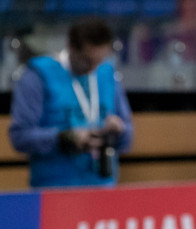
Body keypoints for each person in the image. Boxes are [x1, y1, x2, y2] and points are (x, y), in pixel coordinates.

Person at [8, 19, 133, 188]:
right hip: (56, 189)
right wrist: (64, 138)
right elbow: (20, 137)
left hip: (102, 186)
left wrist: (119, 130)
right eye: (87, 60)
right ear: (71, 46)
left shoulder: (106, 73)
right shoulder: (38, 74)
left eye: (100, 60)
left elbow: (127, 137)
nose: (93, 68)